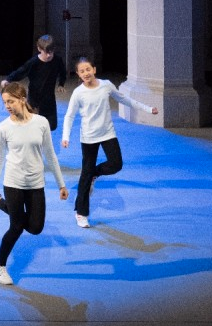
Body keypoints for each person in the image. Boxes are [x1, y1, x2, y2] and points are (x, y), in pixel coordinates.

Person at [0, 82, 68, 286]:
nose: (7, 106)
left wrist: (61, 184)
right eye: (4, 102)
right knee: (17, 226)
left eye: (10, 101)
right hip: (14, 182)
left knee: (36, 227)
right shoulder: (3, 127)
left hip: (36, 183)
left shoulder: (41, 122)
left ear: (22, 99)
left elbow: (50, 155)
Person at [61, 56, 158, 228]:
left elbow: (124, 99)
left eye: (88, 69)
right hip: (89, 137)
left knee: (116, 164)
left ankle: (94, 174)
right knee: (85, 173)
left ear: (94, 69)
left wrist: (148, 109)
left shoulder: (106, 85)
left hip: (107, 133)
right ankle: (81, 213)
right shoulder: (78, 93)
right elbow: (69, 116)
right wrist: (66, 136)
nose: (86, 73)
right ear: (78, 74)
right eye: (82, 71)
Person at [2, 34, 67, 132]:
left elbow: (62, 72)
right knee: (31, 125)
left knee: (52, 126)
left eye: (51, 52)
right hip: (34, 99)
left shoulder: (57, 60)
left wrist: (61, 84)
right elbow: (21, 71)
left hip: (49, 98)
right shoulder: (33, 62)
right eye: (46, 52)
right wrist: (8, 79)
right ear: (39, 49)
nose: (49, 55)